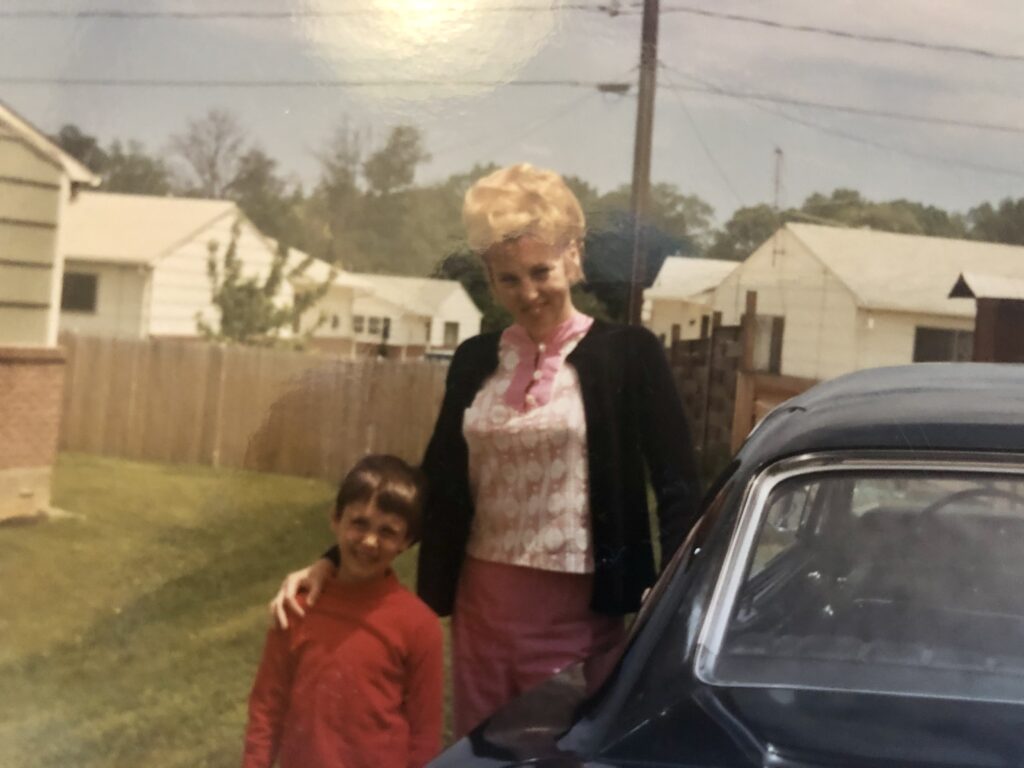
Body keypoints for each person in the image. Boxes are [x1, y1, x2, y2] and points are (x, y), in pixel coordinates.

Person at [270, 163, 701, 736]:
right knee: (483, 750)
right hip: (482, 606)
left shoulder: (629, 353)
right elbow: (435, 484)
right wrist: (330, 561)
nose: (528, 293)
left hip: (578, 614)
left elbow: (677, 487)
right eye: (508, 279)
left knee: (560, 749)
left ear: (572, 257)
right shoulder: (477, 360)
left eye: (540, 271)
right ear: (489, 277)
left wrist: (676, 599)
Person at [243, 454, 443, 768]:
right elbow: (267, 708)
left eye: (388, 531)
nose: (370, 541)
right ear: (335, 519)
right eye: (359, 523)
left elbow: (425, 734)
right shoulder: (297, 608)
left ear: (406, 541)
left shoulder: (420, 625)